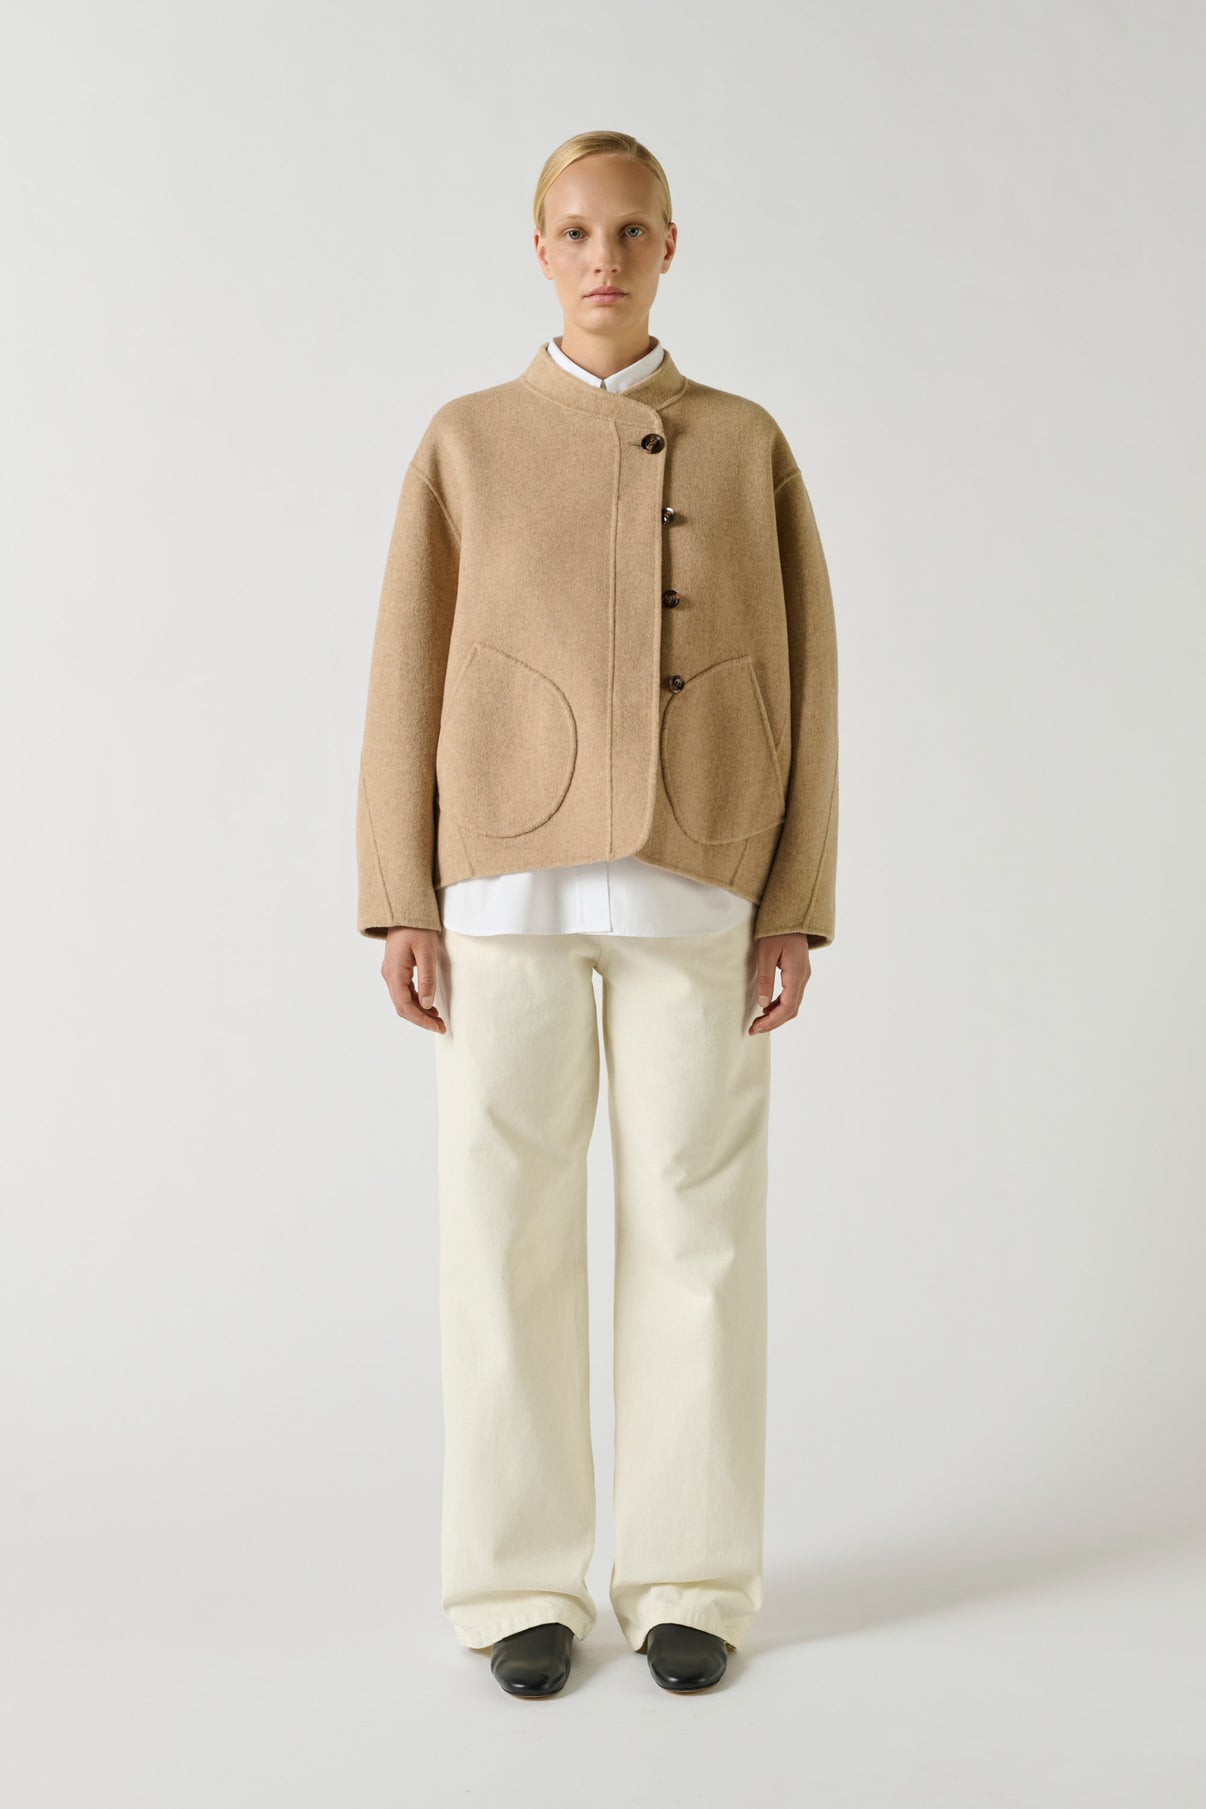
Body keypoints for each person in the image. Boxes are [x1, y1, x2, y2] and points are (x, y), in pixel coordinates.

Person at [355, 129, 839, 1698]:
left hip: (702, 879)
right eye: (574, 231)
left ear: (670, 245)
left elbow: (811, 679)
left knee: (699, 1231)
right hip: (501, 888)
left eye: (630, 231)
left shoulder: (746, 443)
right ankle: (516, 1587)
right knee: (502, 1234)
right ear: (538, 248)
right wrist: (400, 893)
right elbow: (405, 669)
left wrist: (793, 899)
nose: (602, 259)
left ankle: (692, 1576)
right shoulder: (468, 441)